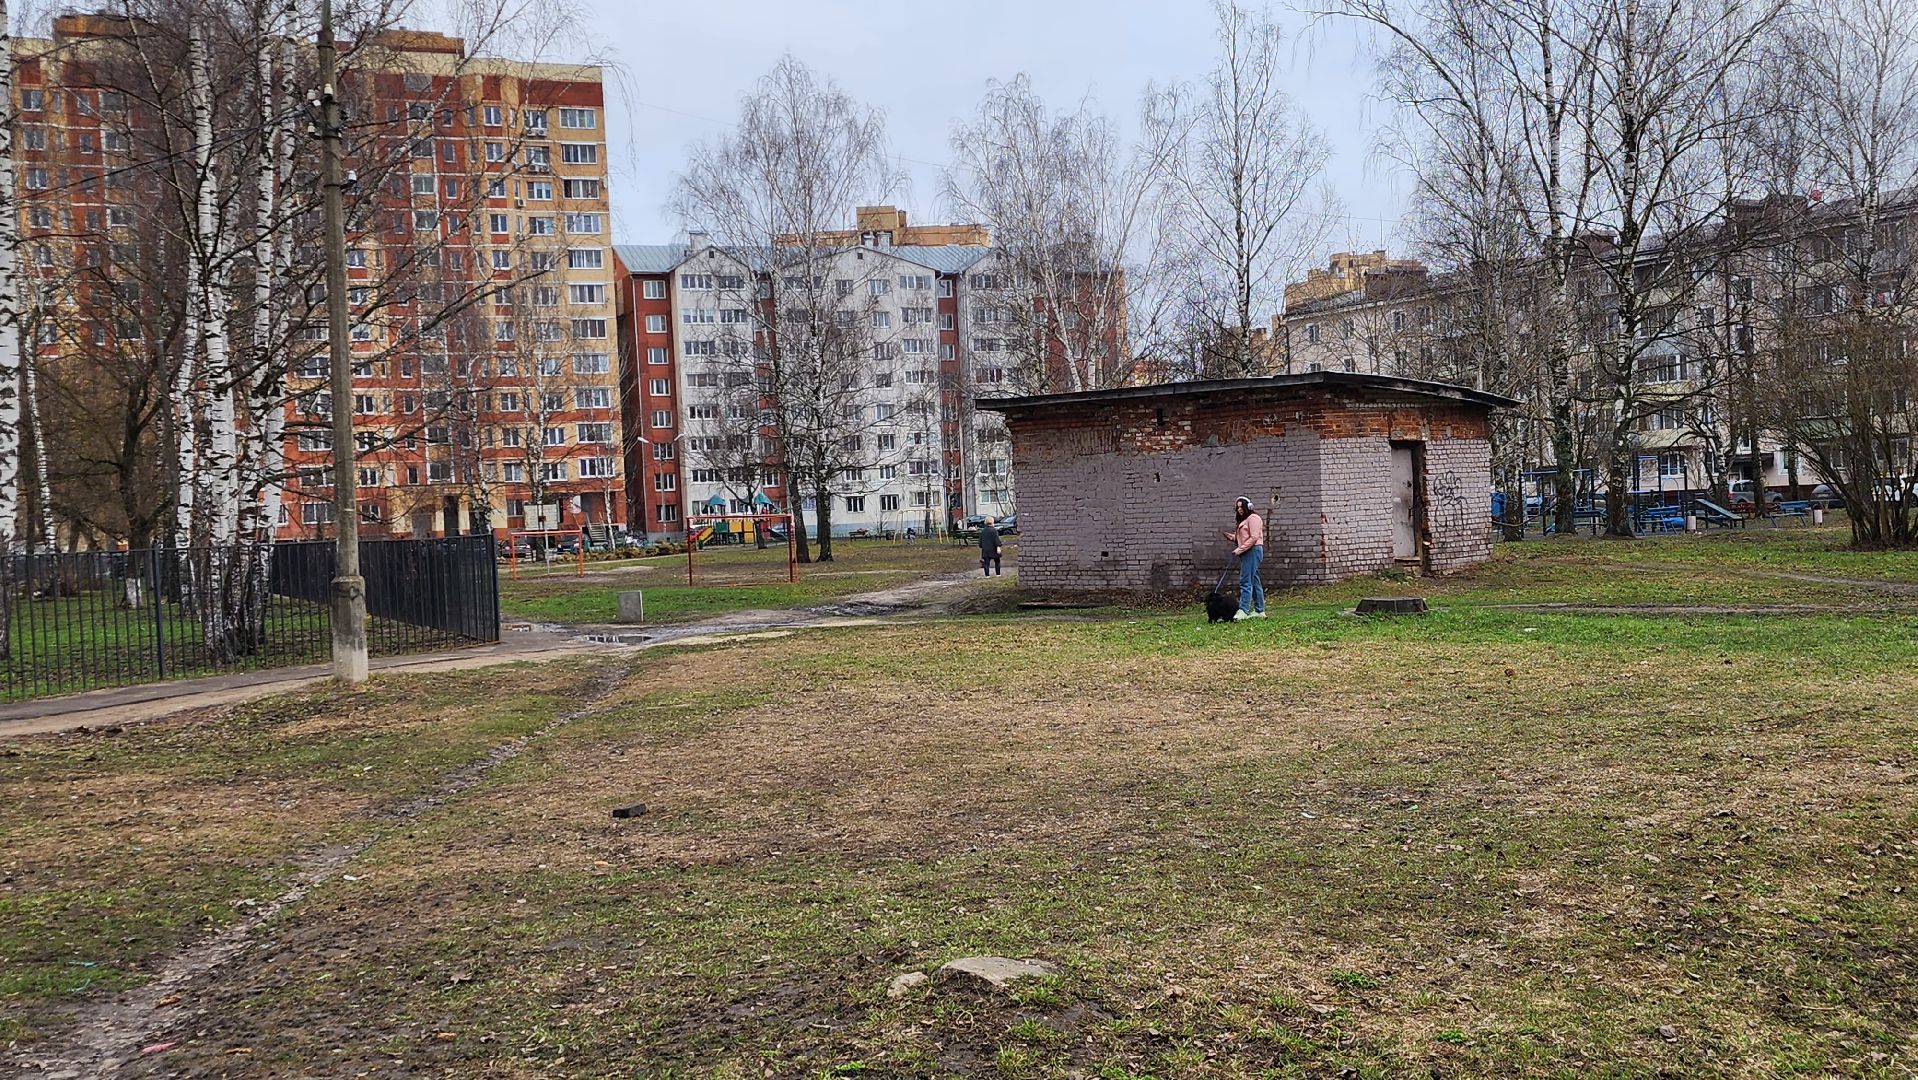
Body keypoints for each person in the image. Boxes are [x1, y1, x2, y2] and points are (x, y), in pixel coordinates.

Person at [1221, 496, 1266, 620]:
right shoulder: (1244, 520)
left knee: (1245, 580)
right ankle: (1259, 610)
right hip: (1247, 551)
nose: (1240, 509)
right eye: (1238, 507)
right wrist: (1232, 537)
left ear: (1249, 506)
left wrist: (1239, 549)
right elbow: (1244, 537)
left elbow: (1254, 537)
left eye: (1242, 506)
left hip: (1252, 551)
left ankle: (1243, 610)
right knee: (1254, 581)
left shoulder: (1254, 518)